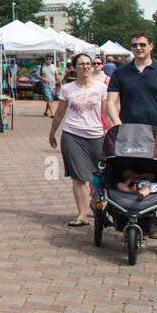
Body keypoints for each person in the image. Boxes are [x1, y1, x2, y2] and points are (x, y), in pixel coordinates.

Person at [106, 31, 157, 238]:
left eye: (142, 44)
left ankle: (154, 218)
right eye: (134, 45)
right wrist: (117, 123)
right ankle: (124, 214)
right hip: (128, 135)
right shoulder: (121, 73)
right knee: (125, 171)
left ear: (151, 46)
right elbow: (111, 102)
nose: (138, 48)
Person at [49, 53, 107, 226]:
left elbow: (106, 113)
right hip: (72, 135)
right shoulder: (68, 89)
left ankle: (95, 205)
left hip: (96, 136)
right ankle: (82, 214)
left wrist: (113, 132)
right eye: (81, 64)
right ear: (74, 67)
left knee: (97, 176)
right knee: (78, 177)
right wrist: (52, 133)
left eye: (88, 63)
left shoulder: (101, 88)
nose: (86, 67)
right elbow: (60, 112)